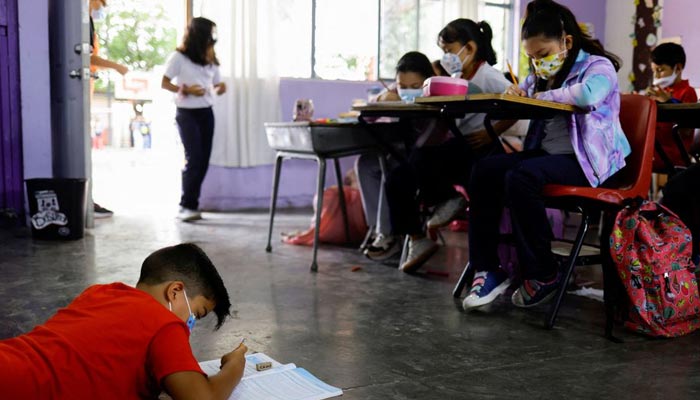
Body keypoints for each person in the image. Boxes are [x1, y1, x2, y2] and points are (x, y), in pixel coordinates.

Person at [462, 0, 629, 310]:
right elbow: (524, 91)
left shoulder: (597, 67)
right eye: (531, 57)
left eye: (543, 55)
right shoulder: (541, 75)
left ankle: (544, 272)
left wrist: (540, 94)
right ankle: (488, 267)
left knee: (521, 177)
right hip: (550, 157)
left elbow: (588, 95)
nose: (538, 63)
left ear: (565, 42)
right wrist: (517, 93)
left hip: (591, 163)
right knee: (485, 169)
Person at [0, 243, 247, 399]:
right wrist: (234, 367)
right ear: (174, 291)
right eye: (197, 313)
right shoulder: (165, 324)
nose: (190, 323)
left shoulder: (98, 293)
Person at [387, 19, 514, 273]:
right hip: (459, 147)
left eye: (448, 50)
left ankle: (451, 201)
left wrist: (491, 133)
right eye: (442, 50)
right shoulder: (454, 76)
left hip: (482, 151)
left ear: (469, 48)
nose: (445, 56)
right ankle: (418, 238)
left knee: (422, 160)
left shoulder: (488, 76)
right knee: (398, 177)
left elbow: (517, 106)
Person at [356, 51, 446, 261]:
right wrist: (382, 98)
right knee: (366, 163)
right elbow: (368, 117)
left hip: (430, 154)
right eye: (402, 86)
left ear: (427, 81)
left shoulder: (438, 95)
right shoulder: (397, 91)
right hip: (404, 149)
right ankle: (377, 228)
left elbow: (432, 137)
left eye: (415, 87)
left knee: (392, 165)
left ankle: (388, 236)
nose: (408, 91)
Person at [162, 18, 226, 222]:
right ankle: (186, 205)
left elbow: (218, 84)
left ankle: (193, 204)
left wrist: (218, 88)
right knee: (194, 158)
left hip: (207, 112)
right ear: (200, 33)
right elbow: (164, 83)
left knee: (204, 160)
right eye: (210, 33)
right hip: (186, 113)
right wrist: (186, 90)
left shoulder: (210, 58)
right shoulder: (179, 57)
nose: (213, 37)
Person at [89, 0, 129, 218]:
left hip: (86, 92)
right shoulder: (80, 22)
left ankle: (88, 200)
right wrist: (116, 66)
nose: (103, 5)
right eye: (102, 1)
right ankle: (86, 202)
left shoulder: (88, 23)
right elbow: (85, 56)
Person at [643, 42, 698, 172]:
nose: (656, 76)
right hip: (653, 151)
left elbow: (686, 131)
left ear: (678, 68)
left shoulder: (688, 92)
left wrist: (668, 101)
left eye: (660, 70)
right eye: (653, 71)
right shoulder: (657, 92)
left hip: (674, 156)